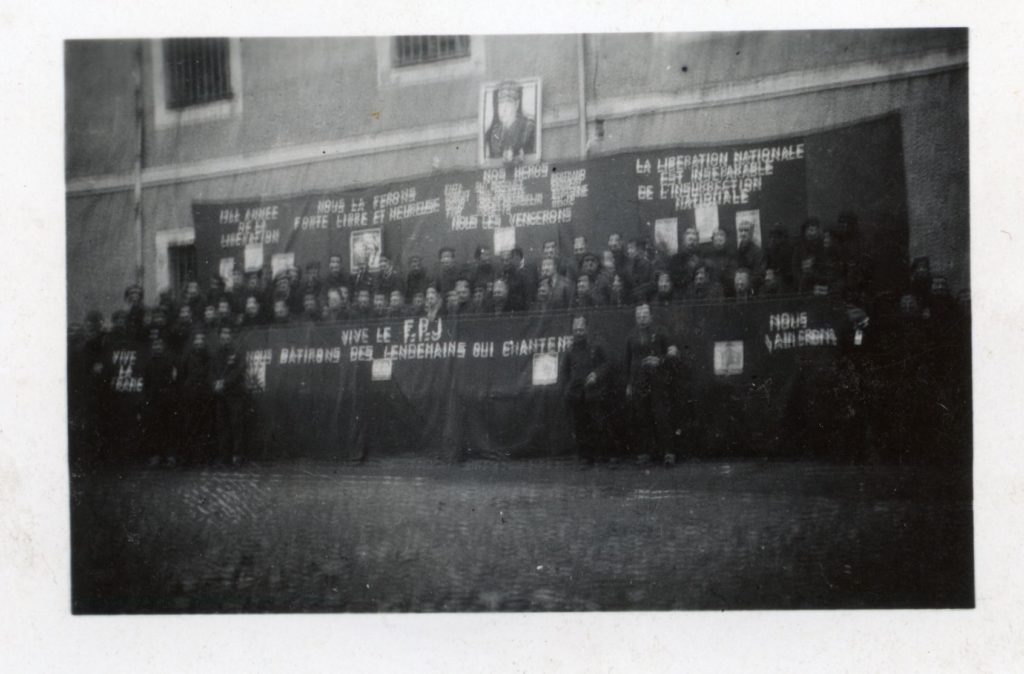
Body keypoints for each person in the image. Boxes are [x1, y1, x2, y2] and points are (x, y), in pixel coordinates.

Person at [562, 315, 614, 464]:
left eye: (581, 329)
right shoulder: (570, 349)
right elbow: (564, 371)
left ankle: (604, 456)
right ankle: (585, 457)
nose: (578, 332)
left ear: (587, 329)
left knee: (599, 424)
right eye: (576, 329)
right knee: (580, 426)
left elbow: (608, 363)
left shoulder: (596, 345)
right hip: (576, 395)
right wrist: (568, 388)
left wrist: (596, 374)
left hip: (595, 392)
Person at [624, 303, 670, 462]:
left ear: (650, 316)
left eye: (644, 316)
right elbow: (628, 361)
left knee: (661, 416)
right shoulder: (631, 336)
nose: (641, 319)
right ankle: (646, 452)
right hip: (639, 382)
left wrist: (660, 360)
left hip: (658, 381)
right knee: (642, 417)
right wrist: (629, 384)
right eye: (638, 316)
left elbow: (673, 354)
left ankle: (668, 452)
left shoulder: (661, 332)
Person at [211, 326, 246, 467]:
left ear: (231, 336)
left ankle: (237, 456)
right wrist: (214, 383)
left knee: (236, 425)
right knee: (222, 427)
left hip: (235, 395)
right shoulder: (216, 354)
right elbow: (211, 372)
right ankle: (224, 457)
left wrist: (224, 382)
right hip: (220, 396)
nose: (225, 337)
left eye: (227, 334)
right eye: (223, 334)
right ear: (219, 337)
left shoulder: (237, 352)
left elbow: (239, 371)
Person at [142, 335, 178, 467]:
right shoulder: (149, 362)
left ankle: (170, 456)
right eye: (155, 345)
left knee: (170, 428)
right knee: (155, 428)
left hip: (167, 399)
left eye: (160, 345)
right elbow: (146, 382)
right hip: (153, 400)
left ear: (163, 347)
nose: (157, 347)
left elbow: (174, 380)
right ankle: (155, 456)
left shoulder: (170, 361)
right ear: (152, 347)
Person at [485, 81, 537, 162]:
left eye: (507, 105)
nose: (503, 110)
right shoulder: (495, 132)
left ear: (516, 104)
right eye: (500, 105)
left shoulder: (528, 127)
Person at [735, 221, 767, 289]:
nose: (743, 233)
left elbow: (760, 274)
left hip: (753, 288)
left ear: (751, 232)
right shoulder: (737, 251)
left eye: (746, 230)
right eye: (740, 231)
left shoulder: (758, 252)